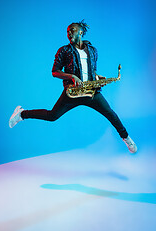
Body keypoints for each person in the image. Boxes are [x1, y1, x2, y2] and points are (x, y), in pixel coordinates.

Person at [9, 20, 137, 153]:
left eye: (72, 30)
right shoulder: (64, 50)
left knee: (111, 114)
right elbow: (54, 71)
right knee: (52, 116)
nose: (69, 32)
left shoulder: (93, 50)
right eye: (67, 31)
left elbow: (91, 71)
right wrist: (72, 77)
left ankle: (126, 138)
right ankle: (22, 114)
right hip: (73, 92)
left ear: (81, 32)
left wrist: (98, 77)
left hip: (91, 91)